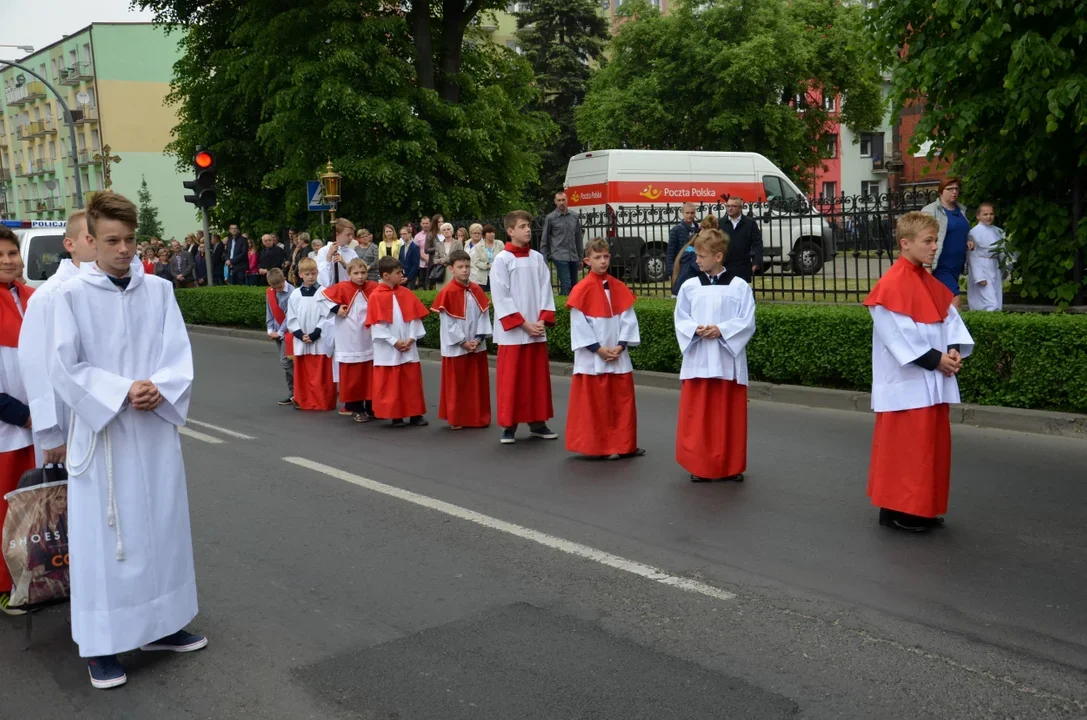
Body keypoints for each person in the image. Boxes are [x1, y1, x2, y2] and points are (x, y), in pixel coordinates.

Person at [49, 191, 206, 689]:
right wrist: (120, 390)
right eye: (112, 240)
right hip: (106, 437)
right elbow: (64, 368)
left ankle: (162, 625)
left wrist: (160, 385)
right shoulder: (69, 296)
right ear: (90, 241)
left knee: (161, 529)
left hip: (153, 429)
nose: (124, 250)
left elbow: (177, 353)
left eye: (131, 240)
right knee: (107, 542)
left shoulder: (158, 291)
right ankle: (101, 646)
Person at [864, 211, 973, 533]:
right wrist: (938, 360)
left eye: (935, 240)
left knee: (929, 449)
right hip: (907, 384)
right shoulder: (890, 285)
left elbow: (951, 321)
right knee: (906, 450)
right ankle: (898, 511)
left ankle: (923, 508)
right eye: (928, 241)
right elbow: (897, 336)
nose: (934, 247)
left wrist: (953, 350)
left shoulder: (931, 283)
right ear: (905, 243)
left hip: (932, 380)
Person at [674, 228, 756, 482]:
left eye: (701, 255)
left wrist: (722, 330)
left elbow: (747, 321)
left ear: (718, 256)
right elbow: (680, 318)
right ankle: (700, 464)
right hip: (699, 358)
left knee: (727, 415)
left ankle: (730, 465)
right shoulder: (689, 286)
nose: (696, 260)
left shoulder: (740, 286)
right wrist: (695, 329)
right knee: (699, 416)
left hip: (726, 360)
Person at [565, 238, 644, 460]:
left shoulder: (618, 287)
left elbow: (629, 319)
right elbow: (579, 325)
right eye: (598, 257)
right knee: (596, 405)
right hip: (593, 358)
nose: (603, 261)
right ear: (587, 261)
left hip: (617, 355)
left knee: (621, 402)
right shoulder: (581, 290)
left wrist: (620, 346)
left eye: (606, 256)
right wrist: (597, 349)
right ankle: (599, 446)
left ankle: (624, 443)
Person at [491, 210, 558, 444]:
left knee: (536, 379)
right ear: (510, 231)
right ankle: (509, 426)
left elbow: (545, 290)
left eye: (528, 225)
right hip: (514, 334)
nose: (528, 229)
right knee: (512, 380)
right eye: (522, 226)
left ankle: (538, 423)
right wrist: (523, 324)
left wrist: (541, 320)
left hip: (536, 330)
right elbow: (501, 296)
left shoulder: (537, 258)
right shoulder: (501, 260)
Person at [0, 226, 36, 616]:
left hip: (37, 428)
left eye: (12, 253)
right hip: (8, 429)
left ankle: (40, 575)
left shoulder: (33, 298)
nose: (9, 261)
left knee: (38, 507)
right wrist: (21, 414)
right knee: (5, 510)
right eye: (1, 255)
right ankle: (5, 585)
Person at [365, 256, 429, 428]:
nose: (402, 275)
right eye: (398, 272)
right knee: (393, 383)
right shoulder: (376, 296)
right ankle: (396, 415)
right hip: (389, 347)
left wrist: (411, 338)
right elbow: (376, 325)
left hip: (407, 344)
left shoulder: (406, 293)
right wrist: (394, 341)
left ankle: (415, 414)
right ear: (386, 275)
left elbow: (415, 319)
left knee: (411, 381)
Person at [432, 250, 492, 430]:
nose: (465, 270)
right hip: (457, 348)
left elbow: (484, 315)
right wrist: (463, 342)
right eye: (460, 267)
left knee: (476, 384)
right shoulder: (448, 292)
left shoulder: (476, 289)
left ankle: (477, 417)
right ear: (451, 269)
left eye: (467, 266)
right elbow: (448, 323)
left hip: (476, 345)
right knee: (457, 385)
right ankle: (457, 417)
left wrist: (479, 339)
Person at [318, 258, 378, 423]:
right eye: (356, 273)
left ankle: (371, 406)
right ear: (349, 274)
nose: (360, 277)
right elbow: (320, 298)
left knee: (369, 374)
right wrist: (336, 309)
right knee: (353, 376)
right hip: (349, 337)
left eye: (363, 272)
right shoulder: (342, 287)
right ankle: (356, 408)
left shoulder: (373, 287)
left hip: (368, 337)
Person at [286, 257, 336, 411]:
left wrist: (316, 333)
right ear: (300, 274)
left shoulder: (323, 292)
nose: (310, 276)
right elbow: (291, 317)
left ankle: (322, 401)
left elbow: (327, 316)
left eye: (313, 273)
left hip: (318, 339)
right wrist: (301, 334)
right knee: (304, 373)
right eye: (307, 274)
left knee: (320, 373)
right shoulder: (295, 294)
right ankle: (304, 400)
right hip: (302, 339)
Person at [922, 176, 971, 309]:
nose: (954, 192)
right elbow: (923, 238)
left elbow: (963, 230)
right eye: (950, 189)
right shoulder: (931, 211)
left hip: (956, 265)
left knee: (943, 303)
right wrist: (927, 265)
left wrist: (969, 240)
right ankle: (957, 329)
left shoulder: (962, 210)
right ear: (940, 192)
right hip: (940, 264)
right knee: (955, 300)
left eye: (956, 188)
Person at [541, 191, 583, 295]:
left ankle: (570, 306)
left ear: (567, 200)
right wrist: (544, 258)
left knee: (574, 285)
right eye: (559, 200)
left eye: (563, 200)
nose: (561, 203)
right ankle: (565, 308)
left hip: (573, 255)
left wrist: (581, 258)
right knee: (566, 284)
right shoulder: (551, 218)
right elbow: (544, 239)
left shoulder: (574, 216)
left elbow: (578, 238)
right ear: (555, 202)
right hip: (559, 255)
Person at [265, 268, 295, 406]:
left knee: (285, 361)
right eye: (274, 288)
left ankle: (302, 385)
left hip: (289, 332)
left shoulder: (292, 292)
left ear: (284, 280)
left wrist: (280, 332)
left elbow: (290, 316)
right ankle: (293, 393)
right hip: (277, 331)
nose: (277, 290)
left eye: (279, 287)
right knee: (286, 365)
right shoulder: (270, 292)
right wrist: (270, 329)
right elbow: (269, 311)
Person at [967, 202, 1004, 312]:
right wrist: (979, 277)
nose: (989, 217)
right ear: (978, 216)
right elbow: (972, 255)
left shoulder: (997, 231)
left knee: (996, 297)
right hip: (982, 267)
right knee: (989, 302)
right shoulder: (974, 233)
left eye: (991, 214)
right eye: (985, 214)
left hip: (994, 266)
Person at [672, 214, 718, 296]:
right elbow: (698, 267)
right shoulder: (697, 245)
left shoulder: (692, 240)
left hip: (683, 288)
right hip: (687, 290)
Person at [722, 196, 763, 281]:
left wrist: (756, 261)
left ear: (741, 207)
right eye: (728, 206)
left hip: (742, 266)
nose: (730, 208)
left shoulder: (750, 223)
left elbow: (757, 243)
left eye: (733, 206)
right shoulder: (720, 223)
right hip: (724, 266)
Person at [318, 218, 359, 288]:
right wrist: (328, 257)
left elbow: (358, 276)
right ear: (337, 235)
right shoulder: (323, 251)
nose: (351, 238)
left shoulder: (352, 253)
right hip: (330, 293)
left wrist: (344, 264)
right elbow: (324, 281)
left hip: (347, 292)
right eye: (348, 235)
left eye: (352, 234)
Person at [666, 203, 700, 284]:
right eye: (687, 213)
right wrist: (671, 271)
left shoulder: (698, 229)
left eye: (692, 213)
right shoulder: (676, 230)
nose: (689, 215)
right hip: (681, 266)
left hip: (694, 266)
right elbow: (670, 252)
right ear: (683, 213)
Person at [470, 223, 498, 291]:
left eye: (493, 232)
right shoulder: (478, 246)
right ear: (484, 235)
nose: (492, 234)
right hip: (484, 277)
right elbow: (477, 262)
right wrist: (488, 265)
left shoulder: (499, 244)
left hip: (497, 275)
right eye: (489, 232)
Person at [413, 215, 432, 283]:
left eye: (426, 223)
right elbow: (416, 250)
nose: (425, 225)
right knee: (422, 283)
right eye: (423, 223)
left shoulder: (434, 235)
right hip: (422, 264)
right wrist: (426, 258)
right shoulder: (417, 236)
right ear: (421, 224)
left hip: (433, 263)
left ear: (430, 223)